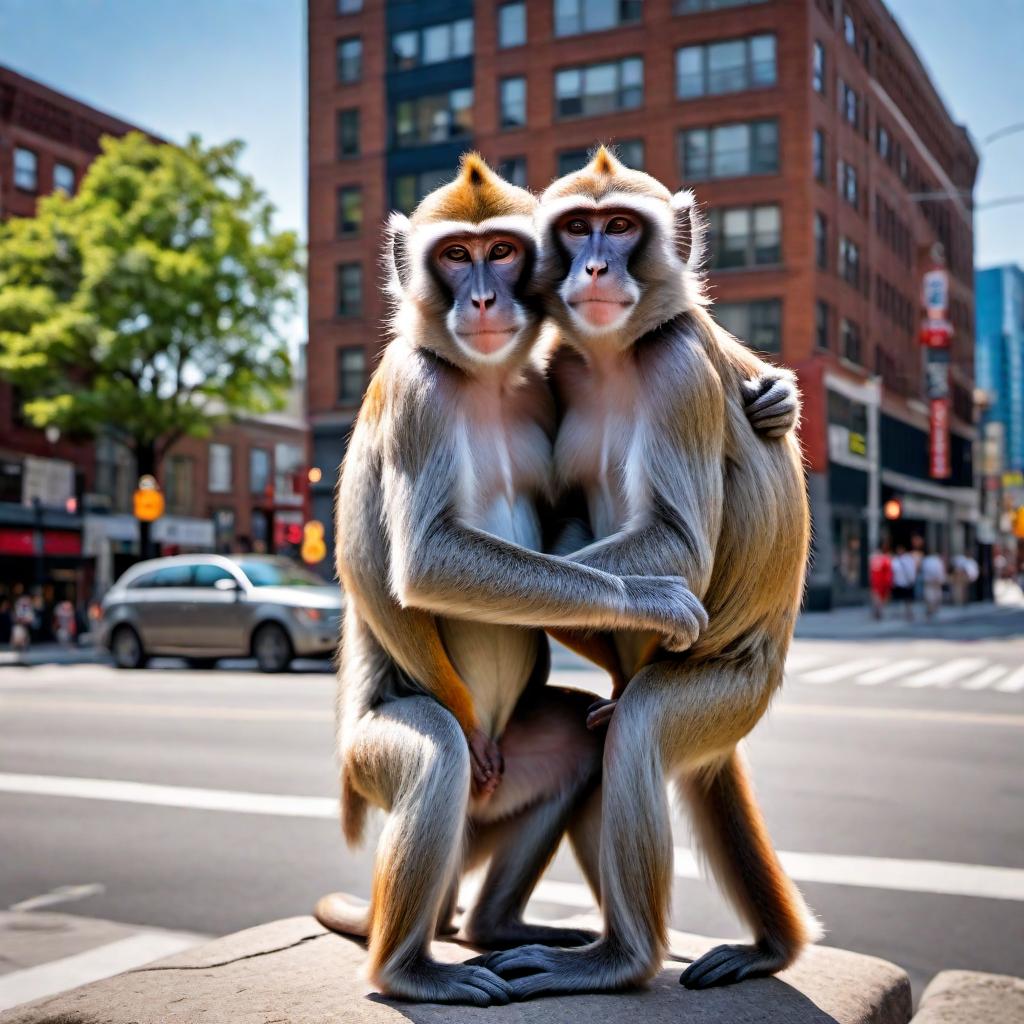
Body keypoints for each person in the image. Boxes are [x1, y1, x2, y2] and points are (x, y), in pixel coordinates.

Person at [890, 543, 917, 621]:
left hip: (907, 582)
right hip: (898, 582)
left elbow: (912, 569)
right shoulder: (895, 560)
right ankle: (902, 613)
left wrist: (912, 579)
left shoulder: (908, 559)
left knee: (908, 599)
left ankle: (908, 612)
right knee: (899, 599)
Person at [868, 541, 893, 619]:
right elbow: (889, 570)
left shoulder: (873, 558)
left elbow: (871, 570)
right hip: (882, 581)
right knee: (881, 597)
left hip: (876, 580)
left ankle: (877, 609)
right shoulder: (885, 558)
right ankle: (879, 610)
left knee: (876, 596)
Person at [921, 551, 947, 619]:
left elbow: (924, 570)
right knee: (936, 595)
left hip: (928, 580)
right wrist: (941, 579)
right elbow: (940, 571)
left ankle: (930, 608)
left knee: (929, 594)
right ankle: (934, 608)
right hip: (935, 580)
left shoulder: (926, 560)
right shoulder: (938, 561)